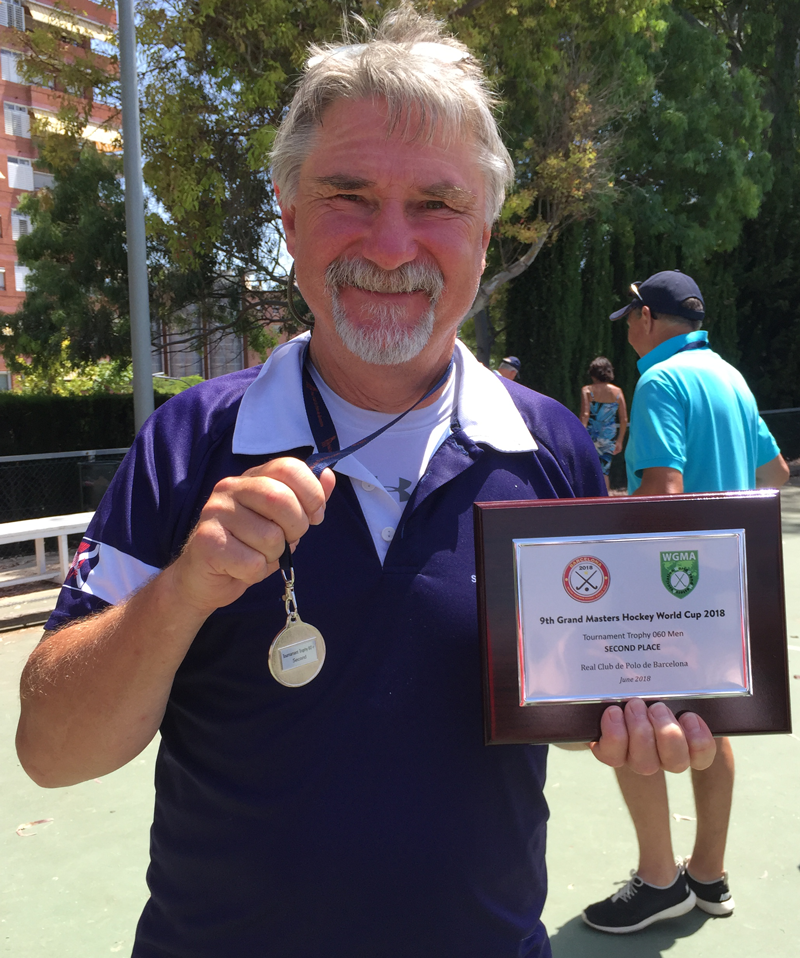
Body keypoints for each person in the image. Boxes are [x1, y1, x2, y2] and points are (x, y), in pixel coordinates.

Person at [16, 9, 717, 957]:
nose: (391, 246)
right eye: (348, 192)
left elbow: (559, 697)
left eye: (435, 203)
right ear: (289, 214)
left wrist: (623, 712)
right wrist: (182, 593)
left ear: (484, 229)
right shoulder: (190, 439)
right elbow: (52, 752)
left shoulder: (549, 446)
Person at [582, 269, 789, 935]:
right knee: (713, 723)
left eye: (632, 319)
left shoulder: (661, 381)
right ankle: (710, 873)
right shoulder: (730, 376)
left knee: (630, 714)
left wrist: (600, 531)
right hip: (726, 581)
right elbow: (776, 473)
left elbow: (664, 488)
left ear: (645, 317)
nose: (632, 330)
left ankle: (659, 880)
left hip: (666, 585)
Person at [579, 356, 628, 490]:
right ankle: (605, 501)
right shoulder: (617, 392)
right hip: (608, 435)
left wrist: (578, 435)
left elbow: (585, 415)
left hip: (591, 434)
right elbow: (624, 419)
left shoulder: (587, 390)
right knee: (604, 471)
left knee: (588, 468)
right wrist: (620, 441)